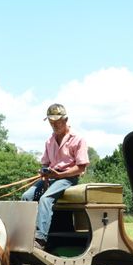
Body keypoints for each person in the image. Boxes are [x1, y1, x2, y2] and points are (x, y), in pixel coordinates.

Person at [22, 103, 89, 250]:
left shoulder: (78, 139)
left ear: (65, 120)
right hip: (51, 177)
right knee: (26, 197)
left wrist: (61, 174)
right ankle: (25, 235)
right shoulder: (49, 141)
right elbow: (45, 163)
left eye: (57, 122)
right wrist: (44, 173)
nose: (54, 125)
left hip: (68, 178)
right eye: (51, 122)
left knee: (45, 199)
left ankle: (40, 239)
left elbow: (81, 167)